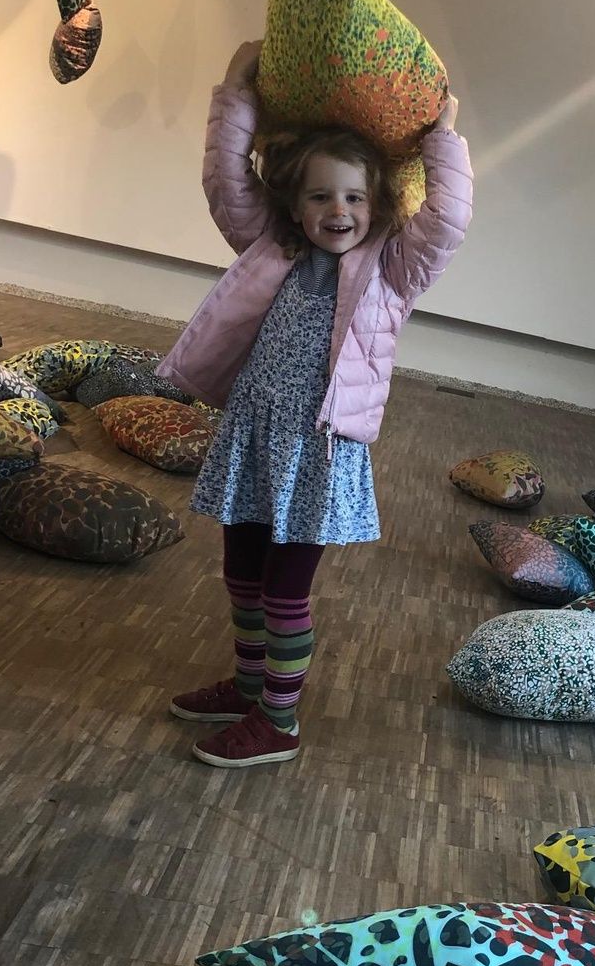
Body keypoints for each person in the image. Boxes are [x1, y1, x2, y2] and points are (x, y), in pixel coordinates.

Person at [157, 40, 473, 768]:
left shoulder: (392, 268)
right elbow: (225, 181)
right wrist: (235, 90)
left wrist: (443, 138)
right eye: (321, 196)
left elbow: (448, 223)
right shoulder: (272, 245)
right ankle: (248, 685)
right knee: (241, 576)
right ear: (294, 206)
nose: (339, 210)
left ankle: (278, 721)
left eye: (355, 197)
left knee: (284, 592)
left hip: (318, 455)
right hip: (255, 438)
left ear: (377, 205)